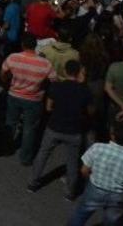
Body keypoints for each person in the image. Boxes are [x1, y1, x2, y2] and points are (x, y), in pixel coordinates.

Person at [29, 59, 92, 196]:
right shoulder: (84, 91)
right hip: (73, 131)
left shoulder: (56, 87)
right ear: (78, 73)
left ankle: (33, 183)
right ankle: (70, 192)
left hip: (54, 127)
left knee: (43, 154)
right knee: (72, 162)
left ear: (65, 71)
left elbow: (48, 107)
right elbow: (89, 111)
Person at [67, 124, 123, 226]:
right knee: (110, 222)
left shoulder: (97, 148)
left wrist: (90, 180)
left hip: (95, 188)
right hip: (118, 196)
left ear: (112, 135)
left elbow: (84, 170)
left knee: (81, 214)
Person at [1, 32, 53, 165]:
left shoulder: (13, 58)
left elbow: (3, 73)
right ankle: (25, 158)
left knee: (10, 123)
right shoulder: (45, 63)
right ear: (35, 45)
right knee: (29, 129)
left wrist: (8, 84)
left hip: (14, 95)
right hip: (34, 99)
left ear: (22, 44)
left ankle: (7, 149)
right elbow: (54, 80)